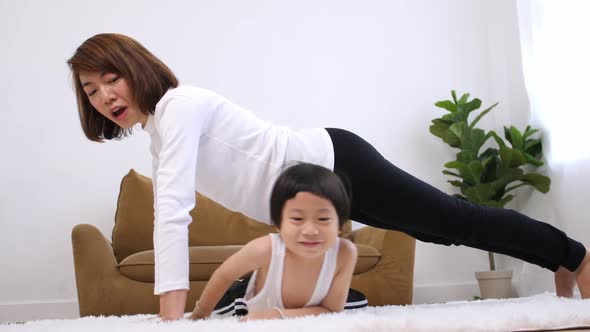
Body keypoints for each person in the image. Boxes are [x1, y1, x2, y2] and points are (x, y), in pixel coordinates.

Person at [67, 33, 590, 320]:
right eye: (91, 91)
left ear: (137, 69)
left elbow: (172, 213)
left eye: (111, 79)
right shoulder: (161, 131)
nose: (105, 97)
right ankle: (558, 257)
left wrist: (169, 317)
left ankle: (574, 256)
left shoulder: (178, 106)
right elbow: (172, 207)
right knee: (442, 228)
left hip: (333, 161)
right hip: (317, 184)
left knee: (450, 220)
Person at [189, 163, 367, 320]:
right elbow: (224, 275)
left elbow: (330, 311)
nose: (311, 231)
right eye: (297, 219)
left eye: (323, 219)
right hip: (250, 303)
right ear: (278, 224)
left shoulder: (345, 252)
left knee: (356, 305)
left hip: (314, 305)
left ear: (339, 224)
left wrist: (277, 315)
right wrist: (199, 315)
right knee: (223, 314)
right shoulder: (265, 248)